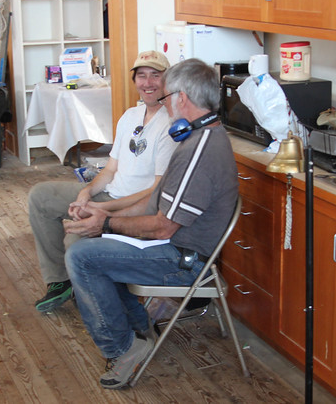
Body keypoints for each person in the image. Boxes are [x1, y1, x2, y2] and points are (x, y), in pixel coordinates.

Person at [62, 58, 239, 389]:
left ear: (181, 98)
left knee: (82, 257)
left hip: (184, 260)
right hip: (173, 246)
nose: (164, 102)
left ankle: (124, 348)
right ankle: (139, 325)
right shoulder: (199, 138)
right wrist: (105, 216)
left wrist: (107, 223)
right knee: (91, 250)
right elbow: (156, 202)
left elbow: (163, 228)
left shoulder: (199, 151)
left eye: (167, 95)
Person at [28, 51, 176, 312]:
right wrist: (86, 194)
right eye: (142, 76)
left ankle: (95, 299)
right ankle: (60, 281)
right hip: (108, 194)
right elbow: (110, 169)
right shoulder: (130, 116)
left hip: (134, 207)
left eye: (156, 75)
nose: (148, 83)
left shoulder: (171, 125)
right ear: (135, 81)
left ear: (168, 81)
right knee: (41, 196)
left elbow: (155, 190)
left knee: (75, 241)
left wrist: (101, 210)